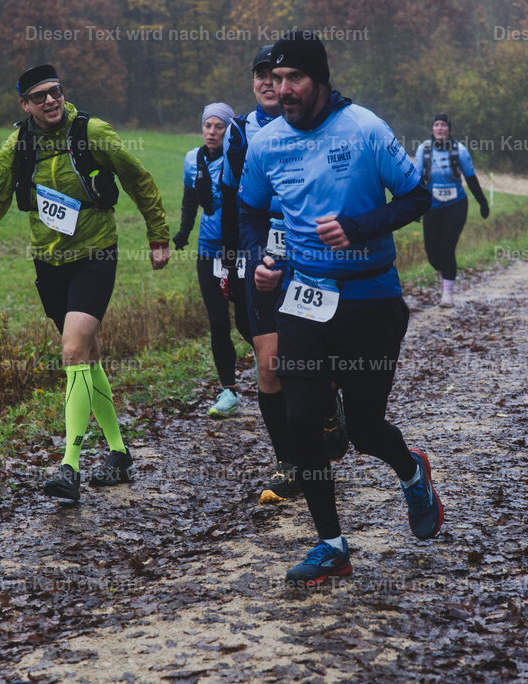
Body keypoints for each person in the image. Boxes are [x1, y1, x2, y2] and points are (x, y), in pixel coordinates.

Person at [240, 31, 443, 587]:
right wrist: (262, 259)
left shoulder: (366, 130)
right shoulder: (265, 143)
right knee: (302, 417)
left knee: (364, 428)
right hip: (304, 298)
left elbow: (418, 196)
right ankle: (331, 543)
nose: (283, 90)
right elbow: (251, 211)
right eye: (276, 81)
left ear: (321, 81)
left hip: (370, 299)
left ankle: (411, 470)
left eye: (295, 79)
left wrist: (359, 225)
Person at [0, 65, 171, 501]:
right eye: (39, 97)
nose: (50, 101)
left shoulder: (91, 132)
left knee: (72, 350)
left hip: (96, 254)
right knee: (87, 357)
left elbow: (138, 179)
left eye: (54, 92)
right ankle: (118, 452)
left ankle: (69, 465)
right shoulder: (19, 144)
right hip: (48, 262)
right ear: (25, 105)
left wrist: (158, 235)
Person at [219, 46, 350, 505]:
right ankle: (289, 463)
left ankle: (330, 405)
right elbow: (234, 202)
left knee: (322, 358)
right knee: (269, 365)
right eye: (261, 76)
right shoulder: (241, 130)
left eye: (278, 77)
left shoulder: (325, 123)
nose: (270, 84)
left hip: (314, 257)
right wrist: (237, 262)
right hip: (264, 259)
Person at [173, 103, 253, 418]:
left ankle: (275, 367)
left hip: (240, 249)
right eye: (208, 126)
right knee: (218, 322)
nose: (212, 132)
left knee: (248, 320)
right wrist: (183, 232)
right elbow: (189, 199)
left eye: (219, 126)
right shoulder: (191, 159)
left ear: (229, 130)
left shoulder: (238, 158)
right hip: (208, 250)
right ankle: (229, 392)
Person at [413, 113, 490, 307]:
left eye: (443, 125)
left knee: (447, 248)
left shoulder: (459, 150)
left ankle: (447, 295)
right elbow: (415, 180)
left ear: (449, 129)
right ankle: (445, 275)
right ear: (432, 128)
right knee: (432, 252)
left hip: (455, 205)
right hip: (432, 206)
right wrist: (412, 207)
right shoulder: (424, 149)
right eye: (436, 124)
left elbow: (471, 179)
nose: (439, 128)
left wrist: (482, 202)